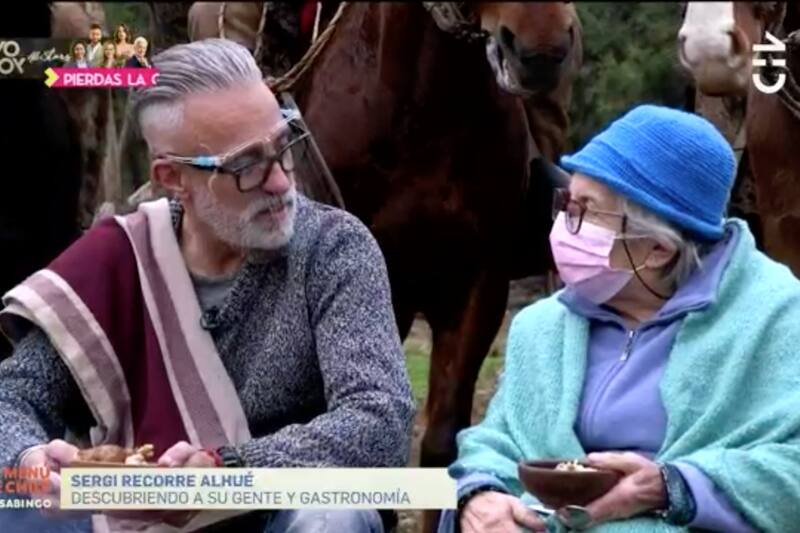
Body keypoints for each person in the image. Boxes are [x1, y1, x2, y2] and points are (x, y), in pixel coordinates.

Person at [0, 38, 414, 533]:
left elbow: (380, 420)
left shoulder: (334, 249)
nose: (281, 182)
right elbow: (13, 396)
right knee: (14, 505)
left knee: (332, 516)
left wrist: (224, 472)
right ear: (172, 177)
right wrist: (27, 458)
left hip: (275, 514)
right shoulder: (117, 258)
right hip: (132, 520)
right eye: (246, 164)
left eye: (284, 147)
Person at [440, 105, 800, 533]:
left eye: (585, 210)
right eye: (566, 203)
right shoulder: (542, 328)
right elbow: (495, 440)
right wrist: (479, 495)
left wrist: (672, 487)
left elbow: (790, 468)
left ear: (657, 249)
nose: (563, 227)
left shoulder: (774, 319)